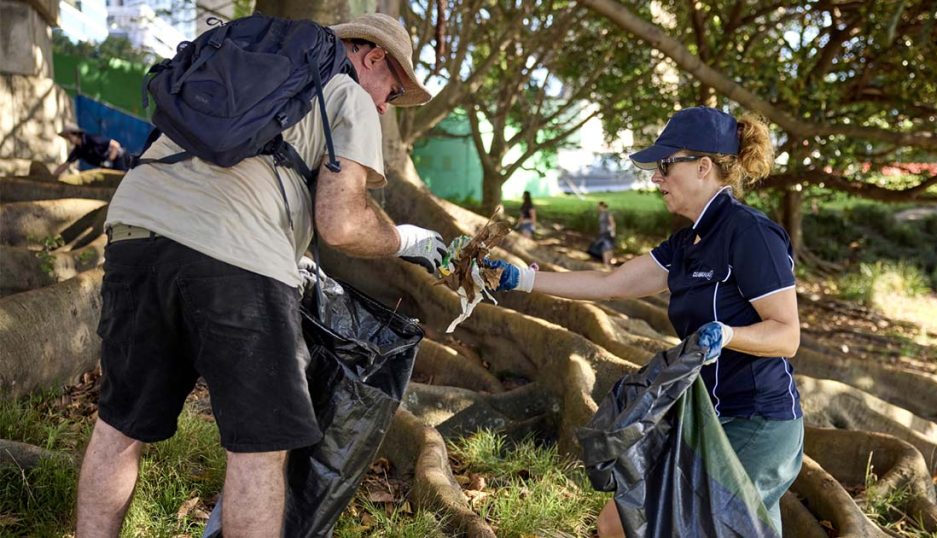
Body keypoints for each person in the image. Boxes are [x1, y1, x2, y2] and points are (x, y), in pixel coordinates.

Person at [75, 14, 445, 538]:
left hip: (135, 230)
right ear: (372, 57)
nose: (387, 104)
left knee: (119, 428)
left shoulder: (239, 73)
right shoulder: (347, 92)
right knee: (260, 449)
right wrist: (407, 239)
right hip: (236, 256)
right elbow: (341, 224)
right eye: (395, 88)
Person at [485, 107, 803, 537]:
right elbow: (611, 282)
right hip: (705, 416)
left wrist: (728, 335)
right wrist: (523, 278)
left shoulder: (751, 235)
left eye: (666, 165)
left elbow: (786, 335)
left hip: (757, 422)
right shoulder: (688, 241)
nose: (656, 178)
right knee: (617, 521)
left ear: (703, 167)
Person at [52, 123, 128, 175]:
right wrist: (52, 176)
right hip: (108, 167)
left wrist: (109, 161)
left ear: (75, 134)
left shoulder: (91, 139)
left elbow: (116, 145)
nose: (68, 139)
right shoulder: (78, 150)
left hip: (119, 159)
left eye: (69, 137)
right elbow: (66, 165)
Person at [588, 200, 616, 266]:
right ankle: (606, 262)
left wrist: (612, 232)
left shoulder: (607, 214)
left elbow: (612, 223)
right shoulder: (601, 214)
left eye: (598, 206)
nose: (597, 208)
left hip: (607, 233)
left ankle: (607, 262)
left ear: (602, 206)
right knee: (604, 247)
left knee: (607, 247)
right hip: (602, 233)